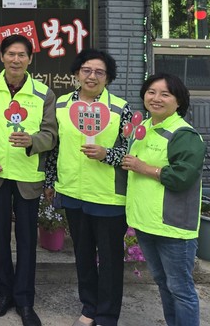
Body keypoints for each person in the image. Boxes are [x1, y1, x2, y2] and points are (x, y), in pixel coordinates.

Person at [0, 34, 57, 326]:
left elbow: (51, 135)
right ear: (2, 57)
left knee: (26, 239)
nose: (16, 60)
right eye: (11, 54)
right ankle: (4, 293)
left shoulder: (43, 93)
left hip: (27, 176)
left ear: (30, 59)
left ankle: (24, 300)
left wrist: (33, 140)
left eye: (22, 55)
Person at [45, 49, 132, 326]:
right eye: (86, 70)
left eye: (99, 72)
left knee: (110, 260)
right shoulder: (61, 105)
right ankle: (89, 307)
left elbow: (131, 151)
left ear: (108, 77)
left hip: (107, 196)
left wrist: (107, 154)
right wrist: (50, 181)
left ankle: (107, 315)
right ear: (76, 73)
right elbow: (55, 147)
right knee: (82, 255)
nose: (92, 76)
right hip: (73, 192)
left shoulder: (120, 108)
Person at [122, 73, 206, 326]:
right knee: (163, 283)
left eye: (165, 94)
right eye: (151, 92)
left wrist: (144, 168)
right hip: (146, 223)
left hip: (173, 227)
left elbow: (183, 177)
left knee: (181, 289)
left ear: (178, 101)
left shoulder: (183, 134)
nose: (156, 98)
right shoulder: (144, 128)